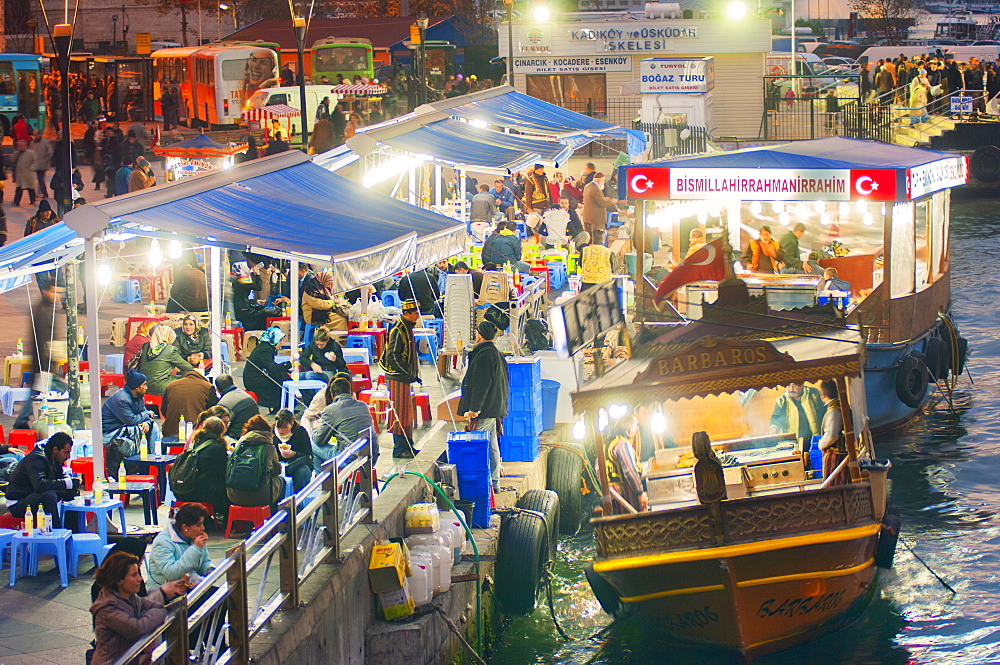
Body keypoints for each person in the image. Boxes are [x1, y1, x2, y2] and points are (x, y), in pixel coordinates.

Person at [90, 552, 186, 665]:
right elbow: (137, 629)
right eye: (134, 575)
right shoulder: (106, 608)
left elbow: (159, 608)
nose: (140, 579)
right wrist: (146, 620)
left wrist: (144, 619)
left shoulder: (131, 597)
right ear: (119, 580)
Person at [457, 321, 509, 492]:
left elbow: (481, 385)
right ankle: (494, 482)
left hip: (486, 408)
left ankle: (486, 483)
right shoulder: (495, 353)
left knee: (482, 443)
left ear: (480, 334)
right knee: (492, 442)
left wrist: (475, 408)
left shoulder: (484, 355)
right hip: (495, 406)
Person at [4, 432, 79, 528]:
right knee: (49, 495)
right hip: (17, 504)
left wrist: (69, 482)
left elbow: (58, 478)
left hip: (32, 495)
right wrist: (65, 483)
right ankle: (57, 533)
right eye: (66, 453)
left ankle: (72, 531)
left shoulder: (55, 458)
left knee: (72, 491)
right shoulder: (37, 459)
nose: (68, 457)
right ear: (55, 449)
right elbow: (40, 485)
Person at [379, 299, 421, 458]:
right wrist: (407, 372)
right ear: (406, 314)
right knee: (399, 414)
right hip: (397, 378)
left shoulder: (407, 328)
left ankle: (408, 446)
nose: (417, 316)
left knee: (406, 414)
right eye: (415, 313)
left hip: (405, 378)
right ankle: (399, 449)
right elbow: (392, 357)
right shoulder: (398, 330)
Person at [101, 370, 161, 477]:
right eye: (144, 385)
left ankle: (153, 459)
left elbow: (143, 415)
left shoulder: (139, 396)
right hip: (111, 432)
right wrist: (147, 415)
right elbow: (132, 420)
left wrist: (146, 421)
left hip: (125, 426)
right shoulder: (121, 399)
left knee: (153, 426)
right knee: (137, 430)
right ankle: (137, 466)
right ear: (137, 387)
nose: (146, 387)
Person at [311, 374, 374, 472]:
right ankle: (326, 481)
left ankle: (322, 483)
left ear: (332, 395)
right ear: (350, 392)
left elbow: (319, 440)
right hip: (372, 455)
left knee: (311, 444)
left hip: (349, 458)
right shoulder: (363, 405)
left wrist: (315, 428)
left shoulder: (331, 410)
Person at [172, 416, 231, 514]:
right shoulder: (217, 448)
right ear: (221, 430)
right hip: (199, 494)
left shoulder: (195, 442)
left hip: (182, 491)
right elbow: (222, 473)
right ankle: (226, 524)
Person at [227, 415, 284, 510]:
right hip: (261, 497)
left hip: (234, 496)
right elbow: (276, 471)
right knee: (281, 481)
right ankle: (274, 518)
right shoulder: (268, 446)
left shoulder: (239, 444)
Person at [148, 503, 213, 585]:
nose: (202, 528)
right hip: (164, 591)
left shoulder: (195, 537)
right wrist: (195, 548)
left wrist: (209, 569)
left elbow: (204, 561)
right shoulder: (162, 542)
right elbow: (171, 573)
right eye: (198, 525)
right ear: (185, 527)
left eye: (202, 524)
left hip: (190, 585)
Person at [243, 327, 291, 412]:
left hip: (257, 377)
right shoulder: (265, 350)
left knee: (281, 375)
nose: (282, 343)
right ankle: (283, 405)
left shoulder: (265, 347)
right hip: (254, 381)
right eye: (280, 340)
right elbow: (272, 368)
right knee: (279, 382)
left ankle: (284, 404)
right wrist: (289, 364)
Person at [138, 325, 195, 396]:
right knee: (189, 378)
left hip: (144, 385)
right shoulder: (169, 349)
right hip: (161, 387)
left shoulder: (145, 346)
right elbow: (188, 367)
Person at [161, 369, 218, 440]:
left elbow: (164, 410)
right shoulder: (207, 386)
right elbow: (214, 411)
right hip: (197, 432)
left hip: (171, 431)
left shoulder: (170, 386)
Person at [605, 418, 647, 513]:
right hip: (623, 497)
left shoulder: (607, 443)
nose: (637, 430)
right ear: (628, 431)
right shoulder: (622, 444)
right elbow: (630, 471)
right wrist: (640, 493)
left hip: (612, 496)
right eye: (636, 427)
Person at [273, 409, 313, 492]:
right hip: (277, 465)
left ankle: (301, 500)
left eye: (285, 427)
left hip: (297, 464)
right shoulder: (271, 433)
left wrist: (294, 454)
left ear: (291, 424)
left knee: (303, 472)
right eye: (278, 427)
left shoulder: (300, 432)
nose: (281, 431)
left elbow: (308, 454)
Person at [215, 374, 260, 440]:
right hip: (256, 434)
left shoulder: (224, 404)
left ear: (217, 390)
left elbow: (218, 429)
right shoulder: (246, 395)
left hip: (238, 438)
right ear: (233, 383)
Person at [817, 380, 846, 478]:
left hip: (837, 456)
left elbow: (831, 435)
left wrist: (820, 444)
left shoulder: (834, 410)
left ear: (823, 394)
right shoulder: (839, 404)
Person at [582, 172, 618, 236]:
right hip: (596, 220)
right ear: (598, 180)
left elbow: (593, 200)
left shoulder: (587, 186)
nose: (604, 182)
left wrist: (604, 198)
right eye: (603, 180)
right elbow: (602, 203)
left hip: (587, 218)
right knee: (597, 240)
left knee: (589, 240)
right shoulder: (596, 189)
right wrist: (612, 201)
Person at [11, 139, 37, 207]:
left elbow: (35, 161)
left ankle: (32, 199)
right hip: (19, 174)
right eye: (19, 146)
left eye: (21, 146)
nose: (20, 147)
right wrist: (16, 153)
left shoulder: (30, 153)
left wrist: (32, 168)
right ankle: (16, 201)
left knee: (30, 188)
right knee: (19, 188)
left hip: (27, 173)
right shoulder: (17, 153)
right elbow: (12, 160)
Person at [29, 129, 52, 198]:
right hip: (36, 164)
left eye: (36, 135)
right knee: (40, 179)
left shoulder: (45, 142)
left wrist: (46, 159)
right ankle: (41, 192)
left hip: (43, 164)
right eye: (34, 135)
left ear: (39, 134)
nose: (35, 136)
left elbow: (50, 152)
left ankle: (44, 193)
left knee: (40, 179)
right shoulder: (32, 143)